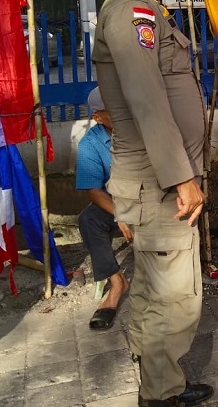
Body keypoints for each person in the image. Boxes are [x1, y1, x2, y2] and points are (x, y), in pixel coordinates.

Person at [93, 0, 213, 407]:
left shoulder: (143, 11)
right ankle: (161, 395)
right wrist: (182, 178)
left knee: (151, 287)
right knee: (176, 298)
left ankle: (159, 382)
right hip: (158, 183)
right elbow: (147, 101)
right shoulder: (132, 13)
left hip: (153, 181)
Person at [76, 87, 132, 330]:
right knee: (89, 220)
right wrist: (121, 212)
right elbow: (92, 189)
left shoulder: (140, 130)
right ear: (98, 117)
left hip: (148, 196)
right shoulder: (91, 143)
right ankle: (116, 282)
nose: (122, 114)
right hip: (116, 200)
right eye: (114, 111)